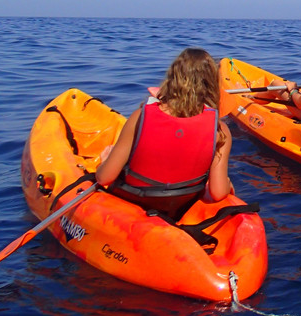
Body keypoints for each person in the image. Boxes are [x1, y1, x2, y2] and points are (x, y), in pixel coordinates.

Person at [96, 48, 233, 220]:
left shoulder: (140, 117)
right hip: (180, 206)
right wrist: (226, 184)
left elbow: (104, 178)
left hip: (133, 200)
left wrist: (104, 161)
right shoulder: (220, 131)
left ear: (172, 78)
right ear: (212, 83)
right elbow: (219, 192)